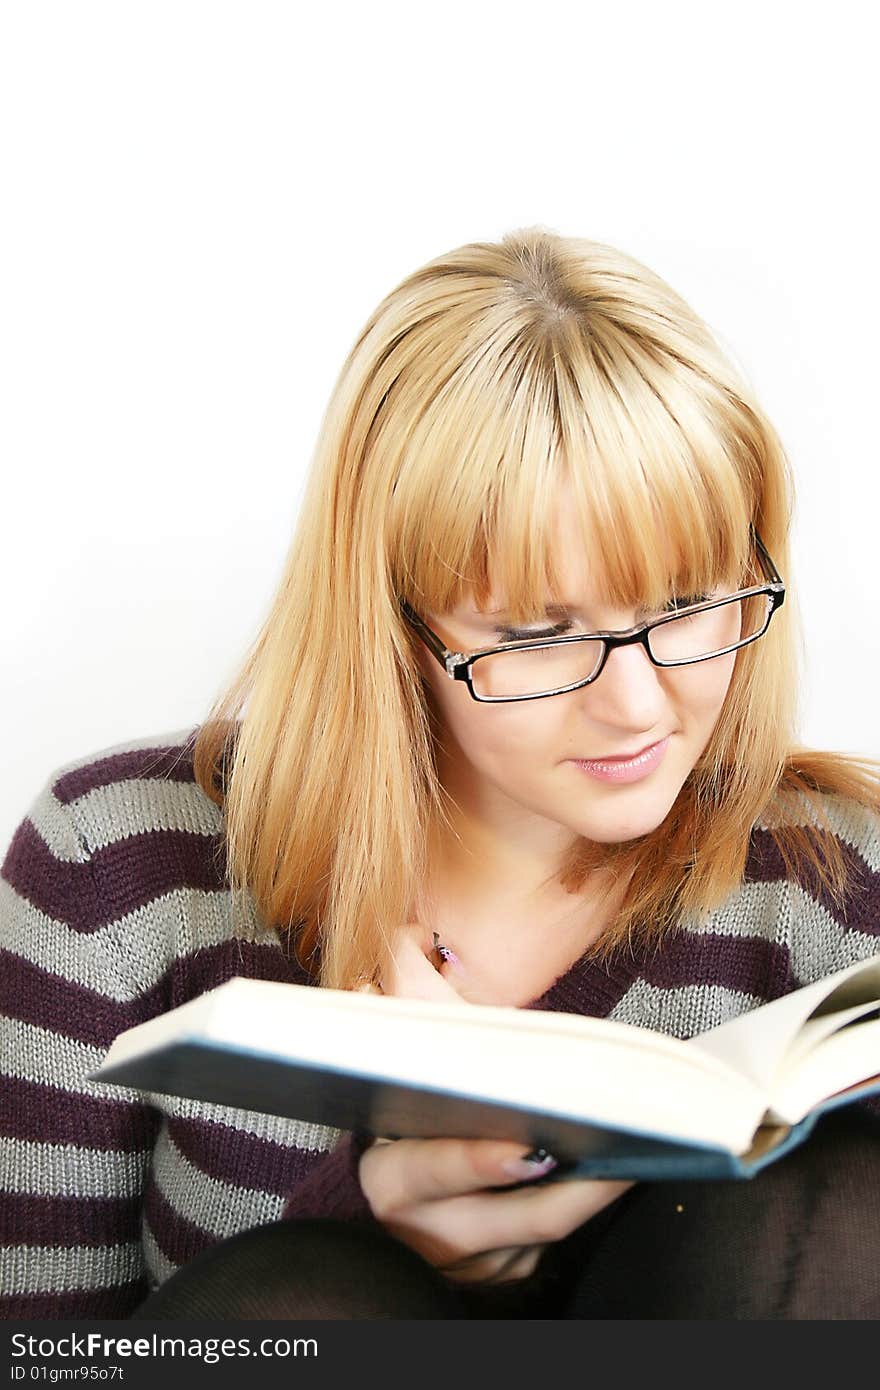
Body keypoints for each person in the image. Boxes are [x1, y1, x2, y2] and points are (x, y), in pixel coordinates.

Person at [2, 227, 879, 1321]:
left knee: (831, 1201)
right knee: (303, 1297)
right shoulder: (120, 870)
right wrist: (363, 1217)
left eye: (692, 605)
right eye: (538, 633)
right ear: (390, 626)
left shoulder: (840, 885)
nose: (640, 705)